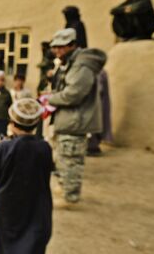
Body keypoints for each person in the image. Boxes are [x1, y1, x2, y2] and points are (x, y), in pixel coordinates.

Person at [0, 98, 53, 254]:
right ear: (35, 123)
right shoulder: (45, 148)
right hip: (36, 211)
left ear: (12, 123)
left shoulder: (5, 147)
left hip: (8, 211)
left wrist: (1, 143)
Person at [46, 28, 106, 207]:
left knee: (71, 160)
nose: (57, 51)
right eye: (55, 47)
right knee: (63, 157)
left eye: (61, 47)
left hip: (76, 120)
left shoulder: (81, 65)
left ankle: (70, 197)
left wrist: (51, 99)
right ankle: (65, 187)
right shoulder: (70, 62)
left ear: (72, 45)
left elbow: (74, 94)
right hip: (69, 119)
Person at [87, 70, 113, 156]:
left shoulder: (99, 72)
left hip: (96, 103)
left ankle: (93, 145)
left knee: (95, 123)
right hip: (96, 103)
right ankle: (92, 145)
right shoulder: (100, 72)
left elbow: (100, 89)